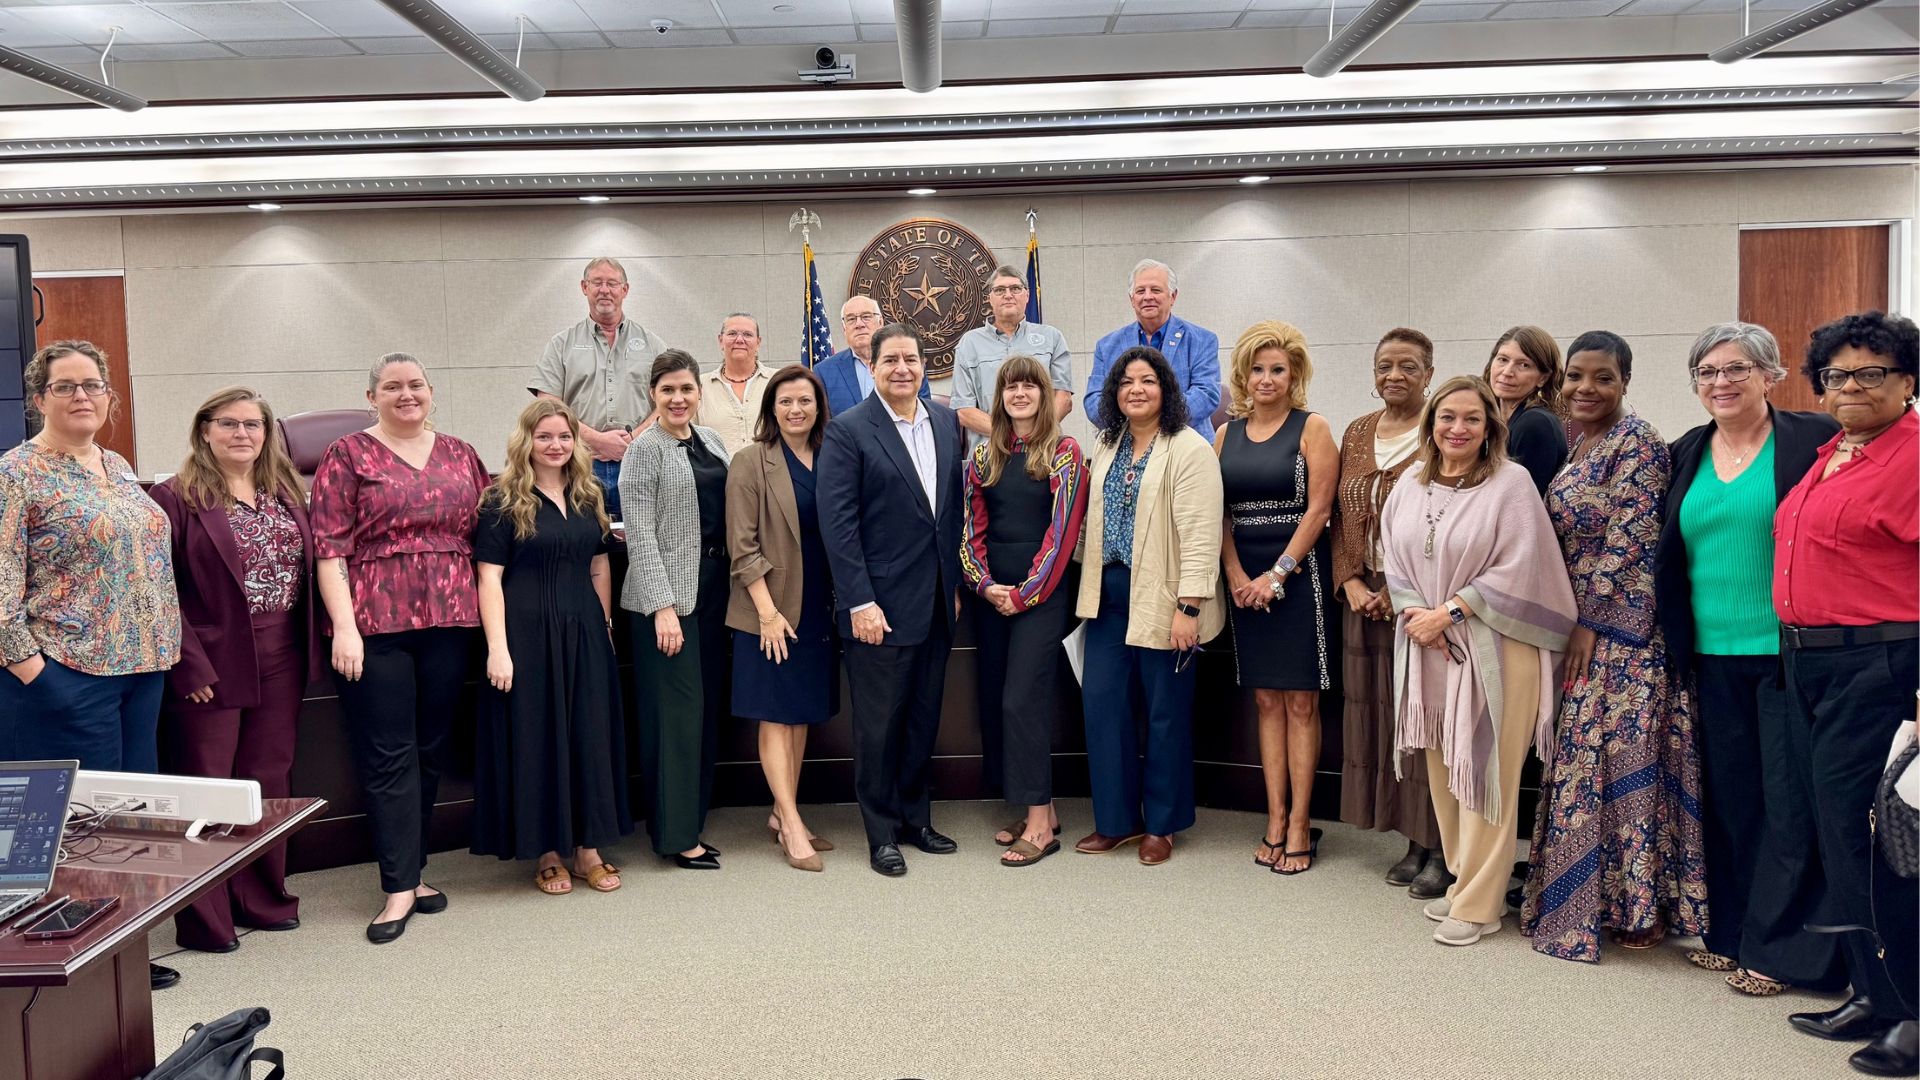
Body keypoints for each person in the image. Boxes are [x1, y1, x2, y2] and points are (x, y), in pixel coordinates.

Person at [1653, 321, 1843, 997]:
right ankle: (1729, 932)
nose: (1721, 383)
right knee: (1731, 802)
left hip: (1790, 655)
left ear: (1771, 374)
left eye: (1736, 369)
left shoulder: (1815, 439)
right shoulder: (1685, 452)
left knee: (1788, 805)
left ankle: (1780, 950)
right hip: (1708, 657)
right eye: (1706, 372)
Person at [1519, 330, 1708, 961]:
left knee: (1623, 768)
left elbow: (1632, 542)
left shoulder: (1640, 442)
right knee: (1582, 769)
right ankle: (1591, 901)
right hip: (1578, 629)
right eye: (1575, 376)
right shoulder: (1575, 442)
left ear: (1626, 381)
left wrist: (1590, 624)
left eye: (1602, 377)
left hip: (1623, 638)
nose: (1585, 389)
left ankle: (1638, 909)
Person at [0, 341, 183, 991]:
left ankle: (122, 951)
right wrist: (34, 675)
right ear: (39, 399)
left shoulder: (118, 465)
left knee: (127, 820)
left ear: (110, 396)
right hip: (65, 674)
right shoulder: (16, 473)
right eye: (65, 386)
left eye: (93, 385)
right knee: (70, 824)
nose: (82, 395)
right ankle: (66, 962)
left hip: (142, 670)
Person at [1772, 311, 1918, 1077]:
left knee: (1890, 847)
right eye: (1838, 374)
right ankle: (1871, 988)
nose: (1852, 386)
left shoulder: (1916, 456)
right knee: (1839, 833)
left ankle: (1913, 1013)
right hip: (1811, 666)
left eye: (1872, 373)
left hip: (1883, 668)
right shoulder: (1832, 453)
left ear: (1907, 382)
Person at [1382, 375, 1576, 947]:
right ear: (1431, 424)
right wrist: (1418, 613)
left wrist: (1452, 611)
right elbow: (1392, 556)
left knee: (1486, 770)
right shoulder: (1411, 484)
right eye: (1447, 417)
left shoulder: (1511, 484)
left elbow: (1524, 565)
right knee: (1445, 769)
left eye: (1471, 418)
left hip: (1495, 646)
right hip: (1427, 644)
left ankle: (1483, 904)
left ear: (1491, 425)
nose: (1457, 428)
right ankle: (1465, 878)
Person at [311, 352, 490, 944]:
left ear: (431, 392)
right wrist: (344, 627)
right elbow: (330, 549)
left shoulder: (462, 453)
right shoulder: (347, 454)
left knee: (431, 748)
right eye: (392, 387)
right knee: (389, 753)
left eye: (415, 385)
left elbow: (488, 531)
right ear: (372, 397)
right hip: (375, 625)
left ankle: (416, 873)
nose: (406, 395)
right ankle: (396, 887)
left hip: (451, 619)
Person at [152, 388, 322, 954]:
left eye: (254, 425)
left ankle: (261, 899)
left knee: (266, 781)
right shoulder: (176, 497)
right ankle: (206, 920)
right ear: (205, 430)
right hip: (210, 662)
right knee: (208, 787)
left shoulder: (285, 492)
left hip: (282, 655)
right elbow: (158, 589)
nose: (243, 434)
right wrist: (187, 664)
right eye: (229, 424)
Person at [818, 323, 966, 878]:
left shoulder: (948, 422)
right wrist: (859, 601)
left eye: (911, 358)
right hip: (877, 607)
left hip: (934, 602)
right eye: (891, 360)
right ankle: (881, 833)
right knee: (878, 727)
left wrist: (951, 586)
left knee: (923, 719)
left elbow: (948, 515)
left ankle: (915, 818)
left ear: (923, 365)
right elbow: (839, 525)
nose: (902, 368)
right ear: (872, 368)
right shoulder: (850, 430)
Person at [472, 399, 631, 895]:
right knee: (536, 737)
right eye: (545, 437)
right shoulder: (501, 500)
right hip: (526, 635)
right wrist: (497, 648)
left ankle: (587, 849)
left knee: (588, 733)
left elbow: (600, 565)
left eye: (564, 437)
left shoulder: (590, 494)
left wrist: (604, 622)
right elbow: (489, 579)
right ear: (527, 441)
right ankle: (545, 850)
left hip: (584, 628)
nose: (556, 445)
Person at [1075, 346, 1225, 866]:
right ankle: (1116, 821)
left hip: (1165, 596)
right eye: (1125, 382)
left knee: (1165, 715)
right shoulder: (1108, 443)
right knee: (1103, 708)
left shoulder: (1188, 447)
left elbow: (1203, 535)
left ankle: (1161, 825)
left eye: (1148, 380)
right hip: (1108, 597)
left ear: (1167, 390)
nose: (1135, 389)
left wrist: (1190, 608)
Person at [1215, 321, 1337, 876]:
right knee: (1265, 701)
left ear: (1294, 375)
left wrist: (1277, 575)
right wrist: (1239, 574)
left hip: (1298, 578)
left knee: (1300, 704)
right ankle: (1273, 815)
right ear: (1244, 375)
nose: (1267, 379)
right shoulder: (1224, 435)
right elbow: (1218, 514)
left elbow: (1318, 511)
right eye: (1257, 369)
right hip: (1245, 583)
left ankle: (1299, 823)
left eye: (1278, 370)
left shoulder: (1313, 428)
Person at [1334, 328, 1449, 899]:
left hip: (1421, 601)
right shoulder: (1356, 432)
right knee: (1381, 720)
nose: (1394, 376)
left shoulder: (1442, 430)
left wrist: (1399, 590)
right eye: (1384, 366)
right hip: (1362, 598)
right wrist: (1350, 579)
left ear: (1429, 373)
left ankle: (1442, 846)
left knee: (1425, 720)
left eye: (1408, 366)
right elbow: (1337, 512)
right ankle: (1411, 837)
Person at [961, 356, 1088, 867]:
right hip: (992, 598)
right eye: (1010, 387)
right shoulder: (984, 457)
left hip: (1041, 596)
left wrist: (1023, 593)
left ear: (1044, 394)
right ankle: (1045, 808)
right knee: (997, 701)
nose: (1019, 394)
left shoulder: (1063, 451)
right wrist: (986, 585)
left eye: (1028, 386)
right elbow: (970, 531)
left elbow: (1062, 535)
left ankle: (1040, 826)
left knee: (1022, 701)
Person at [620, 349, 733, 871]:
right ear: (653, 396)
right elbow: (639, 534)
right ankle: (674, 835)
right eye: (668, 390)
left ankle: (693, 819)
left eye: (686, 388)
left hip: (715, 592)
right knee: (676, 719)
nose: (678, 398)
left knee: (705, 712)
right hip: (668, 600)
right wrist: (662, 607)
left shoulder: (710, 441)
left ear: (698, 392)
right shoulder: (643, 450)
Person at [726, 365, 840, 873]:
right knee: (776, 714)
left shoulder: (833, 456)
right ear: (771, 408)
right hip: (768, 610)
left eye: (806, 401)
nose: (796, 410)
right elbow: (742, 548)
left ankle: (781, 810)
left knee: (800, 716)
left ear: (819, 407)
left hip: (817, 605)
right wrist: (768, 614)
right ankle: (792, 823)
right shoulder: (750, 462)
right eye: (787, 401)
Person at [529, 255, 671, 518]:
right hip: (579, 464)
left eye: (612, 283)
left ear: (624, 290)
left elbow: (670, 402)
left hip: (641, 462)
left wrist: (635, 438)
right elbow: (546, 408)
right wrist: (597, 440)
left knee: (640, 544)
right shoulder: (561, 344)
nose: (605, 290)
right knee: (585, 547)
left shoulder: (653, 345)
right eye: (597, 283)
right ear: (584, 288)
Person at [1085, 260, 1222, 441]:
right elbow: (1094, 401)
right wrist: (1135, 425)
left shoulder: (1202, 340)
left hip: (1186, 443)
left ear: (1173, 296)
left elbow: (1206, 394)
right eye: (1140, 291)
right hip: (1125, 444)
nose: (1147, 296)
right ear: (1132, 299)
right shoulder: (1107, 346)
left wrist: (1152, 421)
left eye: (1156, 290)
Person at [951, 265, 1073, 448]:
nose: (1008, 295)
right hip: (989, 454)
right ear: (990, 299)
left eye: (1015, 288)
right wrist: (1013, 439)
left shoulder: (1052, 338)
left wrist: (1035, 436)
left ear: (1027, 295)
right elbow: (964, 411)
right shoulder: (969, 344)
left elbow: (1063, 399)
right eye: (999, 290)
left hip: (1043, 450)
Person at [1482, 324, 1567, 495]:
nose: (1507, 372)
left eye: (1524, 365)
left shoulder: (1534, 423)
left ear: (1543, 378)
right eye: (1503, 359)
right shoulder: (1501, 421)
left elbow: (1520, 500)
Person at [816, 294, 930, 417]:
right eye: (851, 319)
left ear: (880, 322)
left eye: (866, 317)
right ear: (844, 329)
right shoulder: (824, 371)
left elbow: (923, 411)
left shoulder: (907, 366)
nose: (859, 324)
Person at [699, 312, 778, 454]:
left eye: (748, 334)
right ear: (720, 340)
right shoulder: (699, 386)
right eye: (732, 333)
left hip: (770, 474)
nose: (740, 340)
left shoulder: (779, 381)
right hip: (720, 475)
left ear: (758, 342)